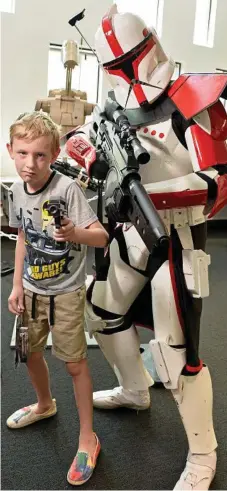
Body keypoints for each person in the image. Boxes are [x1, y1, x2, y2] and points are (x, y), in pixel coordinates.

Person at [64, 5, 227, 489]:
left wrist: (149, 192)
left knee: (177, 346)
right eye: (114, 70)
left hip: (175, 232)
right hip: (127, 229)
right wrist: (81, 147)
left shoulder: (195, 96)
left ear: (150, 47)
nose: (126, 76)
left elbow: (217, 180)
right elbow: (87, 137)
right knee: (103, 310)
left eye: (130, 62)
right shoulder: (114, 105)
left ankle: (203, 453)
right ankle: (136, 390)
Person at [6, 111, 109, 486]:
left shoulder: (66, 189)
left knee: (75, 365)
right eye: (22, 153)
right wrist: (16, 285)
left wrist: (74, 234)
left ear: (53, 156)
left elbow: (101, 237)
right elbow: (22, 236)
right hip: (31, 290)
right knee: (30, 354)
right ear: (10, 151)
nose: (30, 164)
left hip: (65, 293)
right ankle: (45, 405)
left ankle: (87, 438)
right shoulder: (16, 191)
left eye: (40, 156)